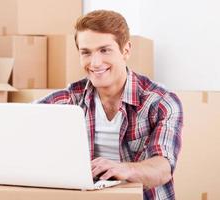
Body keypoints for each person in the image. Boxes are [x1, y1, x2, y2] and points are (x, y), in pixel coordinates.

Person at [37, 10, 183, 200]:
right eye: (86, 53)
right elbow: (19, 120)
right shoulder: (70, 99)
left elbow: (163, 169)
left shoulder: (161, 102)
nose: (95, 63)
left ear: (126, 50)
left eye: (105, 50)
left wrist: (124, 169)